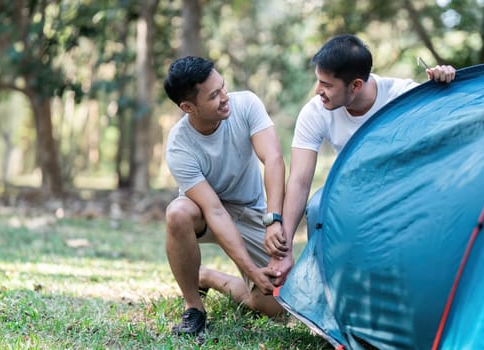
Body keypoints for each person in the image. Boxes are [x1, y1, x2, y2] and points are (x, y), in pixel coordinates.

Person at [265, 34, 456, 283]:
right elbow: (299, 181)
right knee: (315, 207)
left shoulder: (403, 96)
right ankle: (328, 290)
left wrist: (447, 82)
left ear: (355, 85)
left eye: (326, 84)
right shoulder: (315, 112)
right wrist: (285, 248)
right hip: (351, 190)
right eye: (318, 81)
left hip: (399, 191)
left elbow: (449, 123)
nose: (317, 91)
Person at [162, 56, 286, 336]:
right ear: (188, 107)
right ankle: (194, 307)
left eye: (223, 87)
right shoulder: (179, 146)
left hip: (252, 210)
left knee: (277, 306)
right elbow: (215, 210)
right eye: (214, 95)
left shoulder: (246, 104)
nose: (224, 97)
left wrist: (274, 220)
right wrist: (251, 270)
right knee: (177, 213)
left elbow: (274, 159)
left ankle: (209, 277)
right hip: (206, 214)